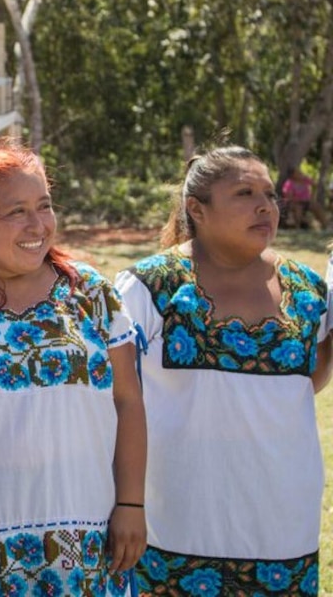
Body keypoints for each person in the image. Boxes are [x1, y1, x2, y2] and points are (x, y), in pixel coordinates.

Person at [115, 145, 332, 595]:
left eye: (271, 195)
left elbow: (310, 377)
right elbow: (118, 398)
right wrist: (126, 502)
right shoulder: (151, 286)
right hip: (172, 524)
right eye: (245, 193)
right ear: (197, 209)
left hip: (282, 526)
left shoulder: (307, 289)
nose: (265, 206)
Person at [0, 138, 147, 596]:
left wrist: (131, 502)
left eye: (44, 205)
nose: (37, 225)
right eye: (15, 212)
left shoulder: (89, 292)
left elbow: (128, 401)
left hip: (86, 534)